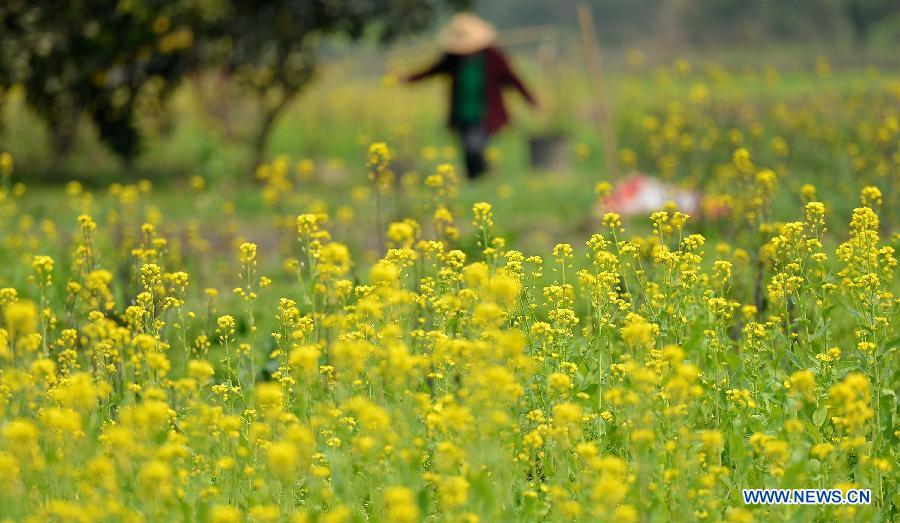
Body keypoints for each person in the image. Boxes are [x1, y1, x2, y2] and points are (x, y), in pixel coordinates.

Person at [404, 13, 537, 179]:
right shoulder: (453, 59)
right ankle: (476, 182)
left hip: (486, 114)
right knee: (468, 149)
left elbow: (513, 80)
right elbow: (430, 71)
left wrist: (531, 100)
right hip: (462, 113)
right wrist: (406, 79)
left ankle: (483, 176)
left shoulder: (493, 57)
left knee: (474, 146)